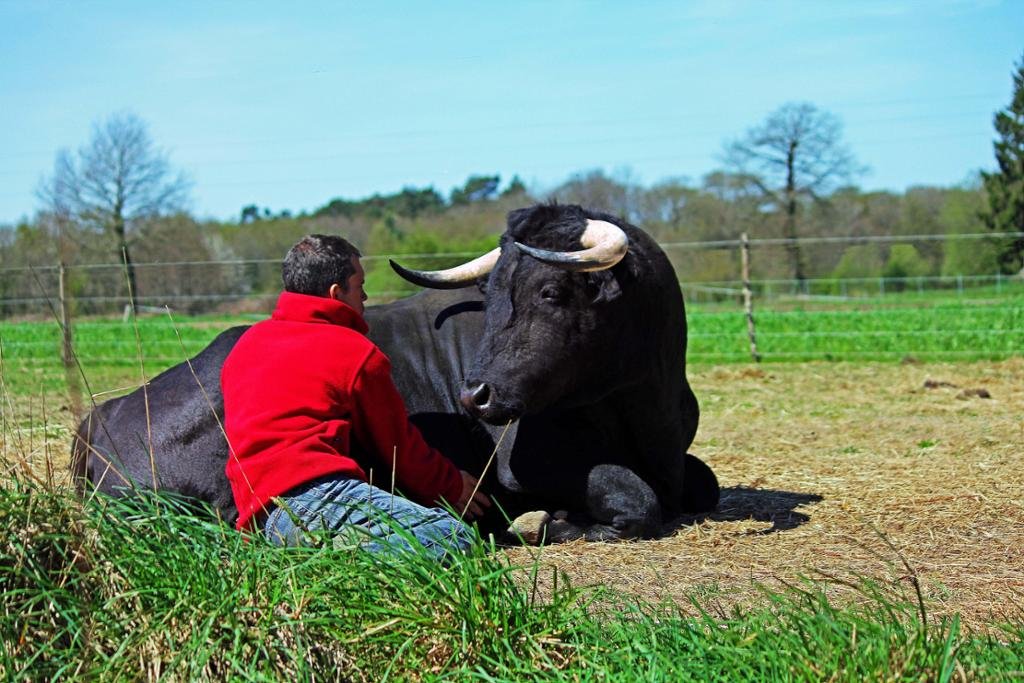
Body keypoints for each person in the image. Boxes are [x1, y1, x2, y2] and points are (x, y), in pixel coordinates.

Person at [221, 234, 490, 560]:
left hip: (257, 519)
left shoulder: (247, 344)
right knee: (456, 538)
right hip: (320, 499)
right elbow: (397, 447)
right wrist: (450, 485)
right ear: (337, 293)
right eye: (359, 285)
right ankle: (339, 564)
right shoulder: (352, 350)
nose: (365, 295)